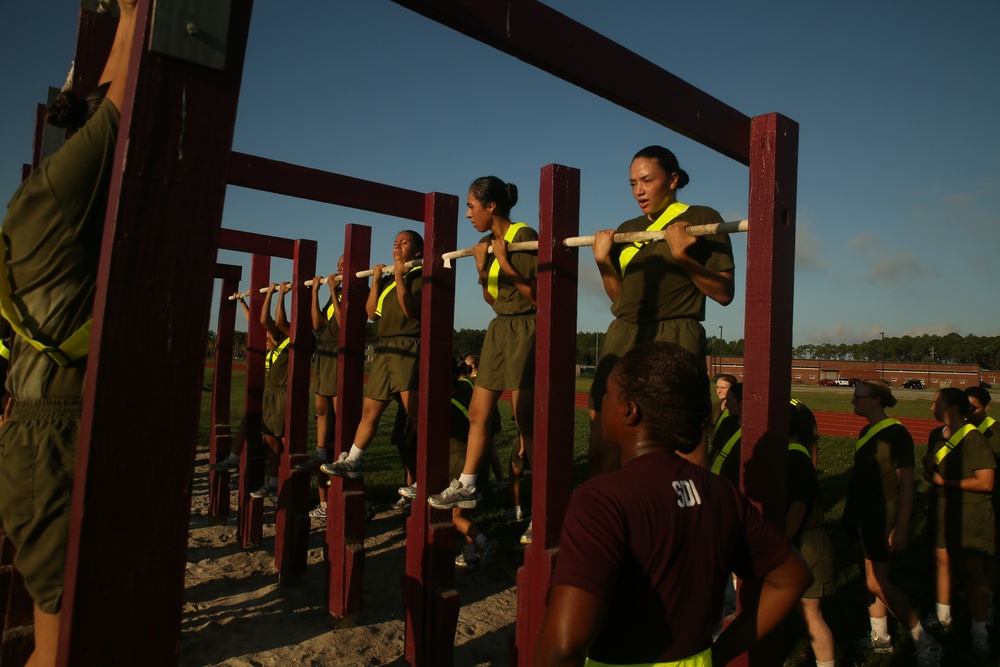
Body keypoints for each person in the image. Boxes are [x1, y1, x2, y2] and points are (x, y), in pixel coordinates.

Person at [0, 2, 139, 665]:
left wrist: (128, 17)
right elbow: (128, 96)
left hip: (41, 433)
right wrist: (144, 13)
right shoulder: (61, 195)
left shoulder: (35, 196)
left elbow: (104, 93)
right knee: (61, 652)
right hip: (51, 437)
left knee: (62, 638)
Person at [534, 342, 811, 666]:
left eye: (608, 395)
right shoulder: (720, 491)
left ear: (629, 411)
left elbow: (563, 646)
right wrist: (719, 655)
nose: (602, 403)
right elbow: (792, 577)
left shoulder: (601, 500)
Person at [588, 146, 735, 475]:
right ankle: (614, 516)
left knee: (684, 440)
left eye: (646, 180)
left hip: (675, 333)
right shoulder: (628, 227)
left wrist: (684, 257)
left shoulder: (701, 217)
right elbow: (620, 300)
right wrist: (602, 262)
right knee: (604, 443)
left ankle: (691, 519)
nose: (638, 190)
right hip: (625, 331)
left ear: (672, 180)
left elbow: (725, 293)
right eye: (632, 183)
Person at [428, 177, 537, 527]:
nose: (468, 214)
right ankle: (468, 482)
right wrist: (480, 268)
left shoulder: (523, 235)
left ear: (491, 207)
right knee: (478, 411)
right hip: (500, 327)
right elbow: (495, 300)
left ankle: (544, 502)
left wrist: (505, 262)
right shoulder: (484, 243)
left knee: (526, 421)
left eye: (471, 206)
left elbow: (536, 296)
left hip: (526, 326)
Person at [843, 380, 940, 663]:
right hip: (862, 514)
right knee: (868, 580)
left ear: (876, 400)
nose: (853, 401)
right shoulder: (866, 431)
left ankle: (925, 640)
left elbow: (906, 485)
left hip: (882, 514)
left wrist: (900, 526)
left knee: (878, 583)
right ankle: (880, 637)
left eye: (858, 397)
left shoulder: (897, 434)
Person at [321, 231, 423, 480]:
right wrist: (377, 280)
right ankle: (353, 460)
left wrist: (399, 276)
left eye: (404, 242)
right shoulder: (389, 279)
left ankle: (425, 473)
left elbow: (409, 310)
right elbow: (371, 314)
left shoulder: (420, 274)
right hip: (384, 347)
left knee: (417, 415)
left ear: (418, 251)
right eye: (395, 242)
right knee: (370, 410)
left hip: (407, 347)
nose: (397, 245)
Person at [922, 388, 995, 658]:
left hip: (970, 512)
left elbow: (986, 482)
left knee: (973, 572)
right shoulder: (936, 435)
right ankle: (943, 616)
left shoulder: (973, 438)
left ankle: (979, 631)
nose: (931, 408)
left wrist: (944, 482)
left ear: (952, 408)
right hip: (942, 507)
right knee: (941, 562)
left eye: (936, 403)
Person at [786, 404, 836, 667]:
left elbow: (798, 507)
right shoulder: (791, 454)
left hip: (806, 542)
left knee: (810, 613)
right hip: (800, 539)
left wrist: (780, 543)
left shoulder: (795, 457)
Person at [249, 282, 292, 501]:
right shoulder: (276, 341)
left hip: (285, 393)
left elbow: (279, 321)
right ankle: (274, 482)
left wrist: (282, 295)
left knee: (285, 441)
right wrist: (272, 294)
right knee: (270, 439)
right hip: (271, 393)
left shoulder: (296, 339)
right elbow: (265, 320)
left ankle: (286, 483)